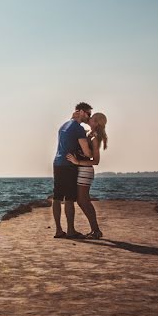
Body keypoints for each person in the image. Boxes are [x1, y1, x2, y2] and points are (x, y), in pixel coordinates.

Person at [52, 102, 93, 239]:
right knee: (69, 198)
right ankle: (70, 231)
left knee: (57, 198)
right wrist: (92, 142)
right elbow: (87, 153)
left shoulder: (64, 125)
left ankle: (58, 230)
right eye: (88, 114)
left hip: (57, 163)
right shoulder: (78, 128)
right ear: (81, 112)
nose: (89, 117)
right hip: (69, 164)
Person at [67, 112, 108, 239]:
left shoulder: (94, 138)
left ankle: (96, 230)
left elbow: (96, 161)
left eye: (92, 118)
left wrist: (77, 162)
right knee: (82, 201)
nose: (89, 119)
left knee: (84, 201)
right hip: (81, 170)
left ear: (96, 123)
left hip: (85, 170)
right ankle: (95, 230)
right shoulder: (87, 133)